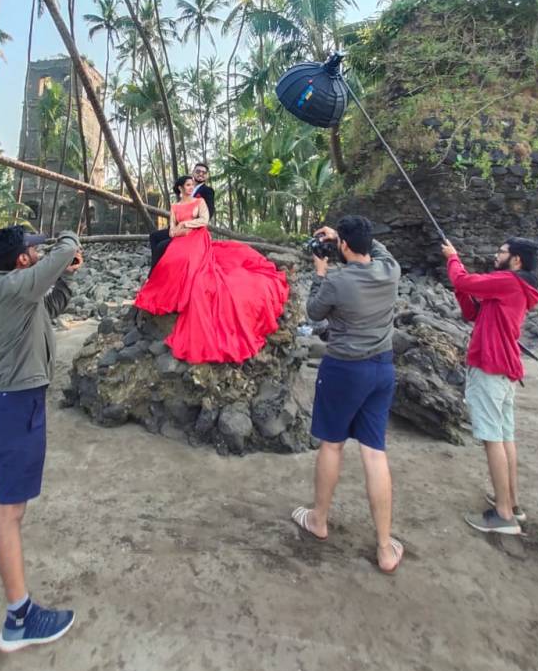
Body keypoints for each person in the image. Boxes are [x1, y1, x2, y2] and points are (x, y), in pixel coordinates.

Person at [0, 225, 83, 652]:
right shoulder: (14, 286)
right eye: (33, 248)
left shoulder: (13, 289)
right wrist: (68, 239)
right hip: (19, 406)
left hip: (0, 404)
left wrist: (66, 275)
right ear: (23, 259)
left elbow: (51, 306)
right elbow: (63, 251)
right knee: (10, 514)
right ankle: (20, 618)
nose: (38, 251)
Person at [290, 216, 403, 574]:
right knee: (374, 453)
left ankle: (319, 519)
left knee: (332, 444)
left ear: (343, 247)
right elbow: (375, 248)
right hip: (381, 369)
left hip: (344, 369)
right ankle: (385, 547)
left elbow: (313, 312)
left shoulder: (337, 281)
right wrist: (344, 238)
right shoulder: (390, 270)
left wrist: (320, 271)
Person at [441, 236, 538, 535]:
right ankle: (511, 502)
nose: (496, 254)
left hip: (491, 366)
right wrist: (461, 289)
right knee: (504, 435)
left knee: (492, 439)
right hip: (505, 369)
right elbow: (473, 311)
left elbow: (463, 278)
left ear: (516, 260)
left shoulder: (508, 281)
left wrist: (452, 257)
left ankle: (502, 514)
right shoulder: (515, 285)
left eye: (501, 251)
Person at [135, 175, 288, 363]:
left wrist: (187, 224)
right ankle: (161, 288)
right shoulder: (175, 207)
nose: (191, 188)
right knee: (169, 257)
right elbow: (172, 229)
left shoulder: (199, 202)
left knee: (186, 260)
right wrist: (178, 230)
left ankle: (180, 288)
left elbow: (204, 221)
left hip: (197, 237)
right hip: (181, 237)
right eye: (188, 185)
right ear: (181, 188)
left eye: (192, 185)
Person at [148, 162, 215, 272]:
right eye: (198, 171)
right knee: (154, 236)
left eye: (204, 172)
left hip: (193, 230)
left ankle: (154, 273)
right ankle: (159, 266)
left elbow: (208, 213)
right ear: (193, 172)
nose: (201, 174)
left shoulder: (207, 191)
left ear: (207, 176)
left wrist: (188, 225)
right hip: (178, 227)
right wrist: (173, 227)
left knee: (161, 246)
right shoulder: (186, 188)